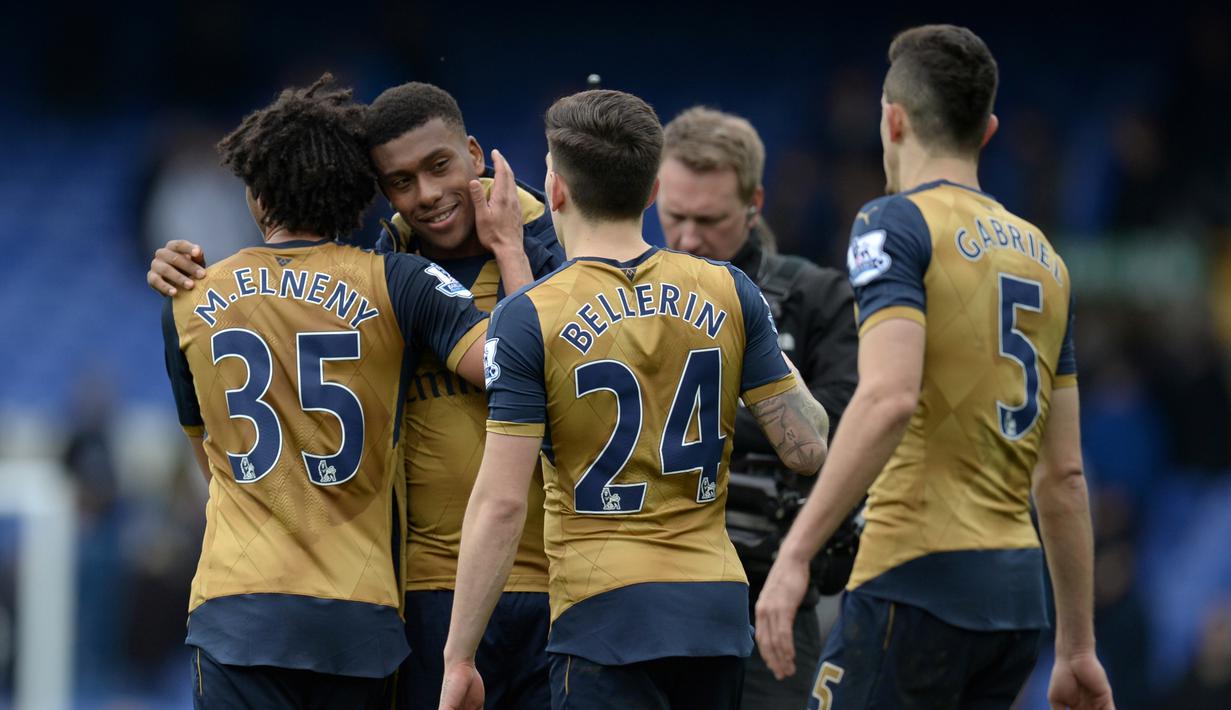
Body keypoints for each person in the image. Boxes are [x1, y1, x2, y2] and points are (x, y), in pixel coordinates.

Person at [148, 81, 562, 709]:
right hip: (362, 614)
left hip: (238, 608)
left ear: (257, 198)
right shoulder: (397, 279)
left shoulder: (188, 296)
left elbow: (210, 463)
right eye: (399, 181)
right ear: (357, 192)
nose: (422, 194)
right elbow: (512, 365)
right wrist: (511, 251)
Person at [754, 25, 1116, 710]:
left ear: (891, 120)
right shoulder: (1046, 259)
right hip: (1015, 605)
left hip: (912, 582)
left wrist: (796, 554)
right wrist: (1075, 650)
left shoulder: (893, 223)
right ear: (988, 131)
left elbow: (888, 397)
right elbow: (1064, 475)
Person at [438, 89, 830, 710]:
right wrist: (764, 351)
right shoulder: (731, 291)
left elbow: (503, 503)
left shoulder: (526, 317)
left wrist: (459, 655)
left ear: (556, 188)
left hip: (604, 617)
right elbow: (807, 449)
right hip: (715, 618)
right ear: (652, 193)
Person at [656, 106, 858, 708]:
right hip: (649, 593)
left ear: (755, 202)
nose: (689, 237)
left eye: (710, 219)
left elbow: (846, 430)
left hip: (771, 596)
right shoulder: (620, 298)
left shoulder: (816, 296)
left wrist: (688, 413)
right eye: (674, 216)